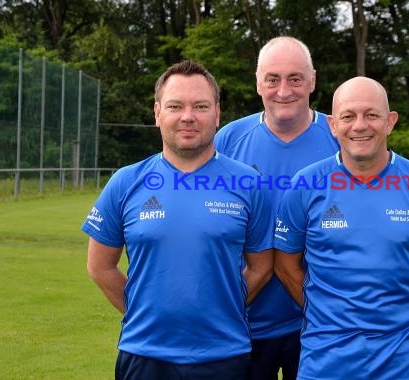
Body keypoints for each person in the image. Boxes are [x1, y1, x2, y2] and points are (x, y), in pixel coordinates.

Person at [81, 60, 274, 380]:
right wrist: (142, 313)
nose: (188, 116)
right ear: (158, 113)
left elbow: (263, 266)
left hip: (225, 354)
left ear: (217, 112)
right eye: (175, 106)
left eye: (200, 105)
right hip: (144, 355)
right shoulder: (125, 182)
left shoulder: (249, 183)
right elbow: (99, 266)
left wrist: (224, 307)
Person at [274, 76, 409, 380]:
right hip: (324, 364)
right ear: (333, 125)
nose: (360, 125)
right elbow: (284, 265)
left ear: (390, 121)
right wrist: (324, 314)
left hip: (404, 365)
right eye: (348, 116)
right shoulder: (306, 183)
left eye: (371, 115)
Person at [214, 36, 339, 380]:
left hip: (321, 327)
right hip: (245, 324)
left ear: (312, 81)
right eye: (273, 79)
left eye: (295, 78)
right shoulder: (227, 140)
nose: (284, 90)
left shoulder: (341, 136)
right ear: (258, 83)